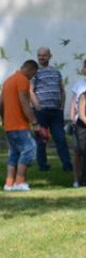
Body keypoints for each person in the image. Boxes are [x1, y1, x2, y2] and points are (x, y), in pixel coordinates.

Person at [30, 47, 73, 173]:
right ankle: (43, 165)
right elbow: (30, 90)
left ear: (50, 56)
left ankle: (67, 165)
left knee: (60, 139)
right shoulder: (34, 72)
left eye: (44, 55)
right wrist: (37, 106)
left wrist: (62, 107)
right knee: (41, 140)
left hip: (56, 112)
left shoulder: (56, 71)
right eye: (39, 55)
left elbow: (61, 90)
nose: (41, 57)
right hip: (41, 112)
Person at [2, 60, 40, 192]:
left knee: (14, 153)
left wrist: (4, 120)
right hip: (19, 124)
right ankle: (20, 182)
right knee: (29, 149)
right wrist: (34, 121)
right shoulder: (23, 80)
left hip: (8, 125)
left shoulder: (8, 81)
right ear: (31, 70)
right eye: (33, 74)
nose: (32, 77)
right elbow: (24, 102)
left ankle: (9, 183)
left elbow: (1, 103)